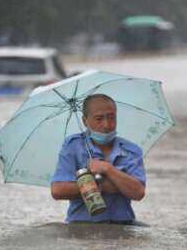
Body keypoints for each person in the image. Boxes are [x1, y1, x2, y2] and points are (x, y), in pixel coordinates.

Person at [51, 94, 146, 223]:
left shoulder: (131, 150)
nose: (106, 125)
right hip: (81, 226)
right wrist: (101, 185)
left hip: (123, 226)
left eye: (111, 117)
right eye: (99, 119)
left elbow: (138, 192)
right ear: (85, 121)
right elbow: (58, 190)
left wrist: (108, 169)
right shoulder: (73, 146)